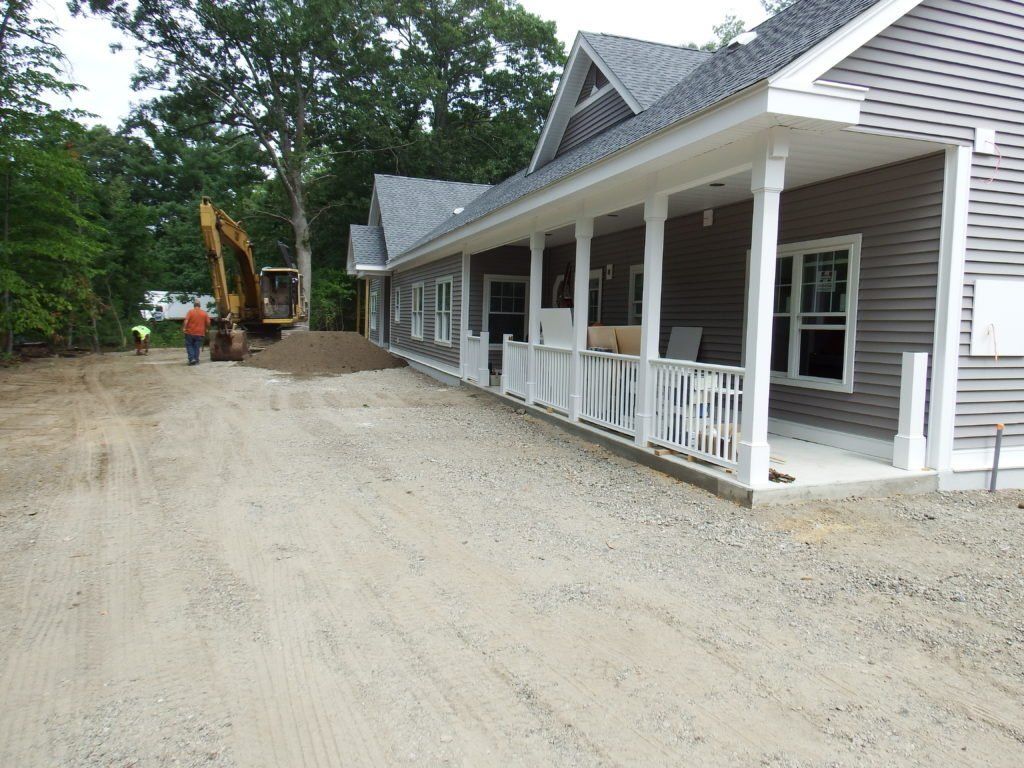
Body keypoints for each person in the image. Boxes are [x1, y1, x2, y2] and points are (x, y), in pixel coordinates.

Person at [182, 298, 211, 366]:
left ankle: (192, 359)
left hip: (190, 332)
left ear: (194, 305)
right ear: (200, 305)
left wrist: (184, 328)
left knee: (189, 345)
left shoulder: (190, 312)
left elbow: (186, 321)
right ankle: (196, 360)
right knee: (196, 347)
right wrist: (206, 328)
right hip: (200, 333)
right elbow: (208, 322)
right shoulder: (204, 313)